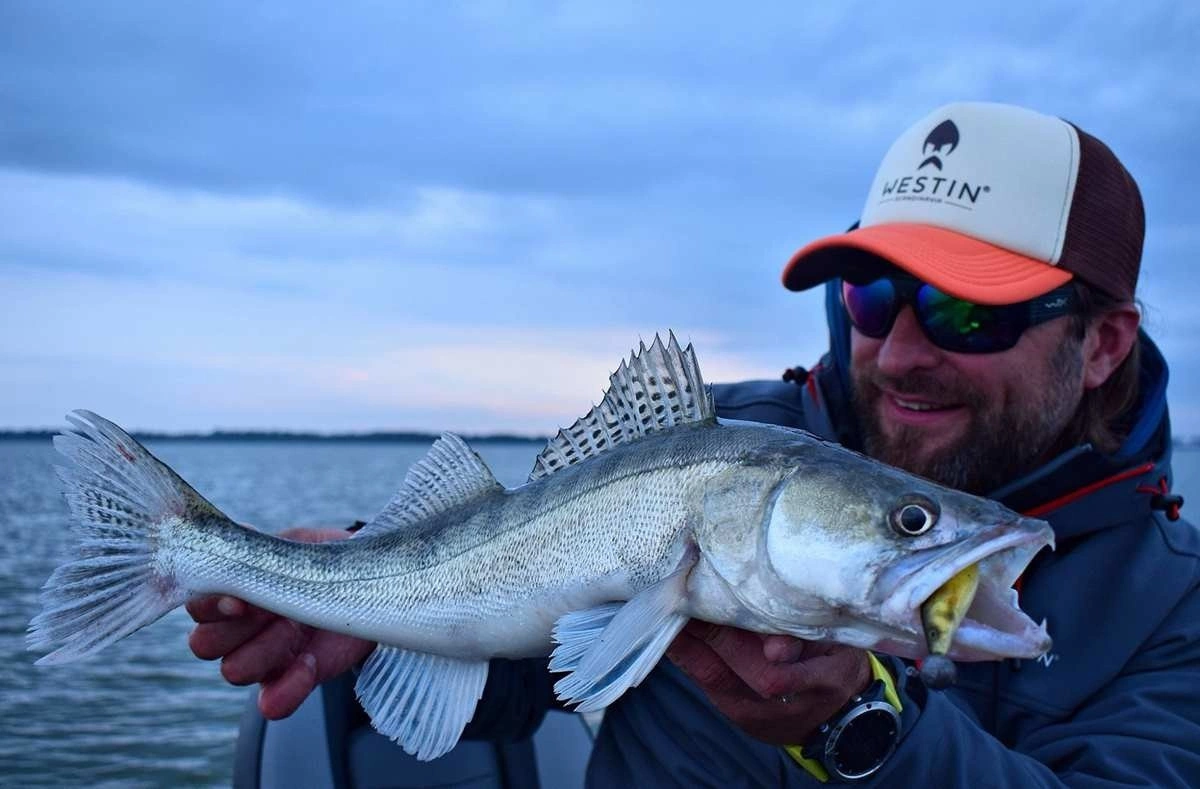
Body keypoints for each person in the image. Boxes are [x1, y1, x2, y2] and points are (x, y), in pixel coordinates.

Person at [188, 101, 1200, 786]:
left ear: (1104, 344)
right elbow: (547, 653)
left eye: (967, 314)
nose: (898, 351)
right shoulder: (725, 437)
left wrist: (861, 732)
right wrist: (379, 610)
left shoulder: (1177, 611)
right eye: (873, 295)